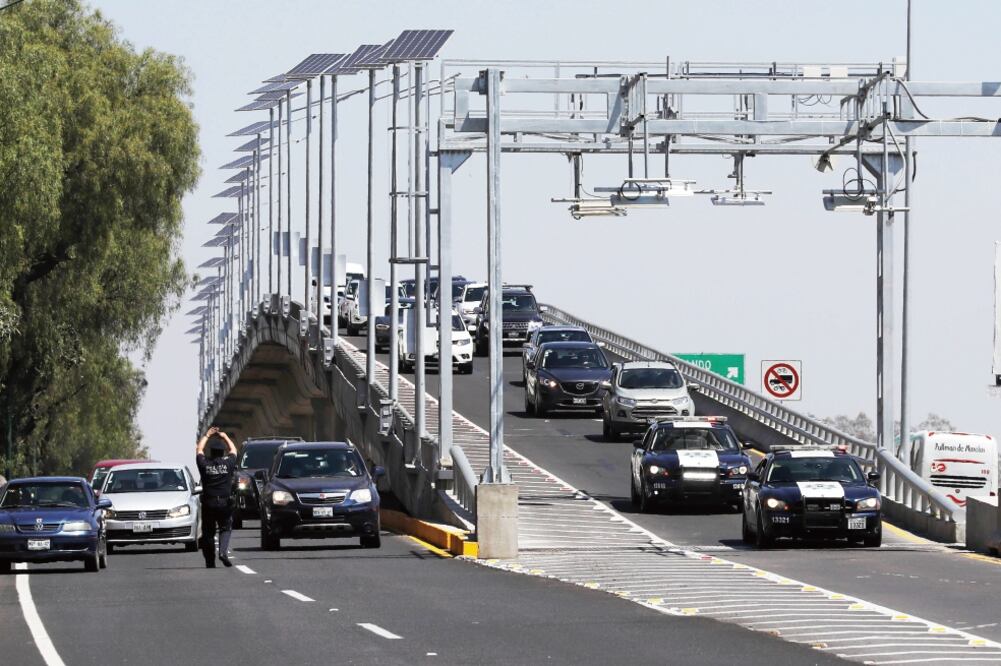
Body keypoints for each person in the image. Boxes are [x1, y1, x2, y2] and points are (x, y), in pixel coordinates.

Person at [195, 426, 238, 568]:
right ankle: (223, 552)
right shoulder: (228, 463)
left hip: (209, 504)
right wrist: (225, 437)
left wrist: (207, 435)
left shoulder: (204, 464)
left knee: (208, 533)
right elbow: (234, 451)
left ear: (211, 452)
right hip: (225, 503)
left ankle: (210, 561)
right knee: (225, 528)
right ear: (222, 452)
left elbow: (199, 450)